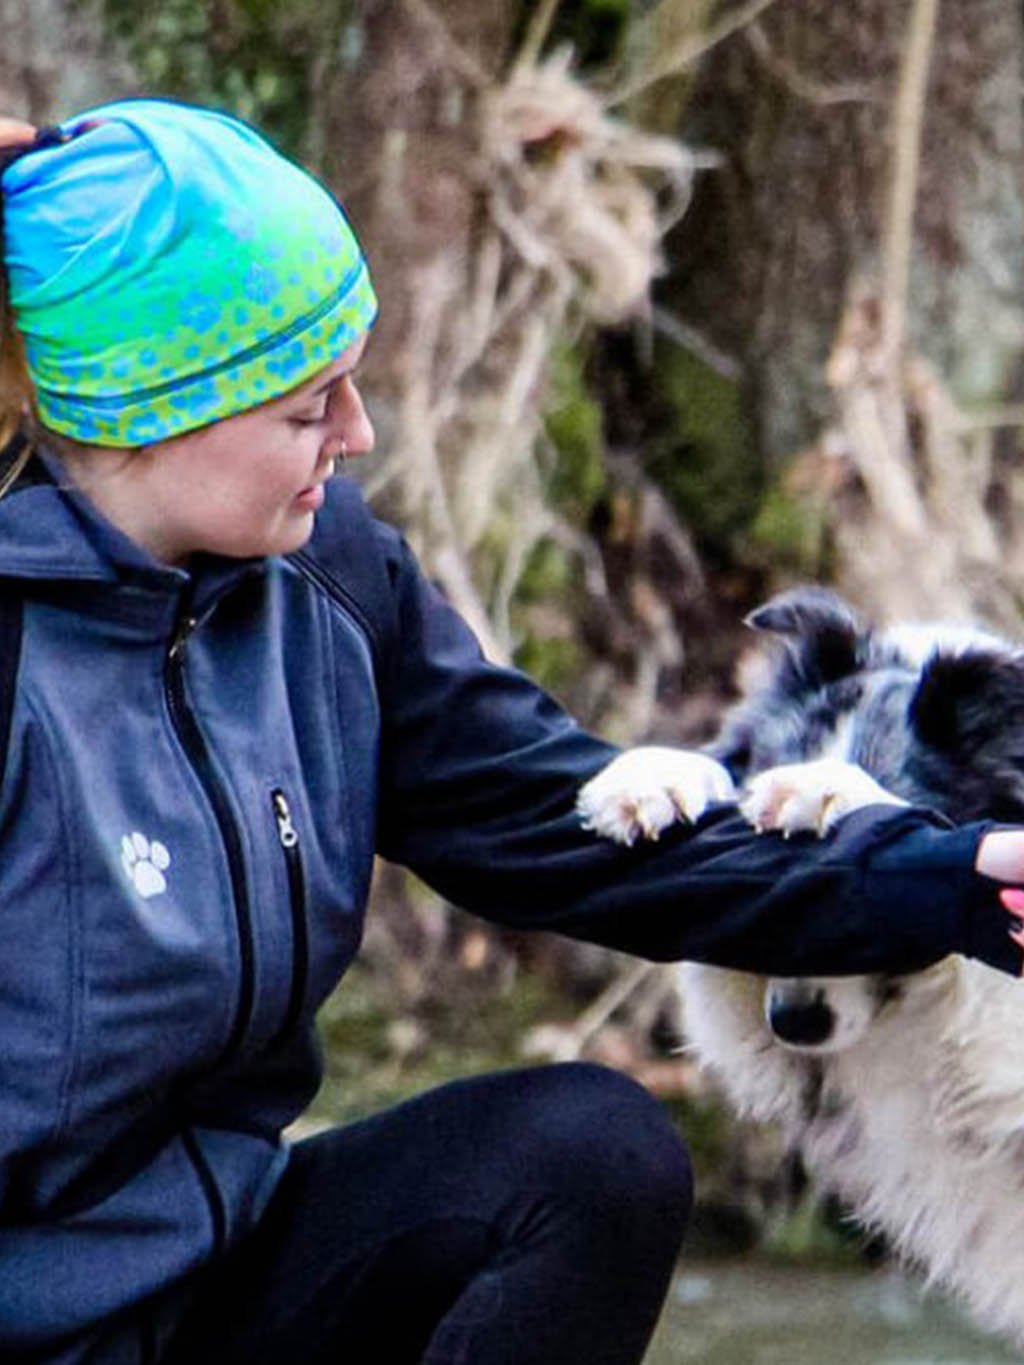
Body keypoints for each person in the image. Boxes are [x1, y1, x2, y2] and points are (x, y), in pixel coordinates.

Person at [0, 98, 1022, 1365]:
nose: (357, 435)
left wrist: (939, 878)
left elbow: (561, 823)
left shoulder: (333, 577)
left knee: (592, 1155)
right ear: (151, 410)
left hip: (223, 1280)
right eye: (306, 405)